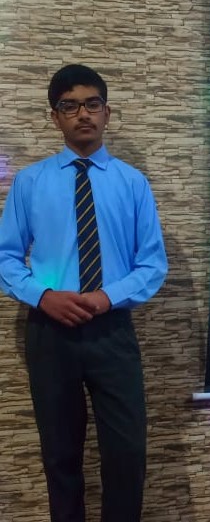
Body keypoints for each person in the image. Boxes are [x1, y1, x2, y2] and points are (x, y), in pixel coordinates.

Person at [0, 64, 168, 521]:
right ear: (54, 117)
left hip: (111, 329)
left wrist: (105, 297)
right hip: (50, 330)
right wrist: (43, 296)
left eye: (92, 104)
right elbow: (7, 257)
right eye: (70, 106)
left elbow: (152, 264)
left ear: (107, 112)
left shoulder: (132, 183)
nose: (83, 114)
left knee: (127, 456)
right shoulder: (30, 182)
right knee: (60, 457)